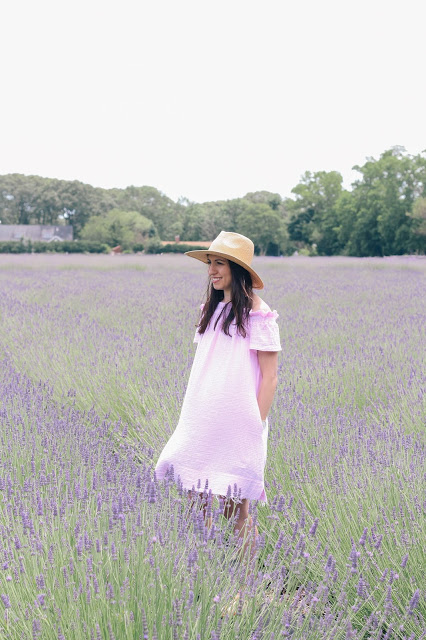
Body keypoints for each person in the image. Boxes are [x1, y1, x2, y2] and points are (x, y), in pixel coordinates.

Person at [154, 230, 281, 569]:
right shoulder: (212, 309)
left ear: (237, 269)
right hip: (202, 415)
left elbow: (270, 377)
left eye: (219, 263)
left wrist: (257, 424)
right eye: (210, 263)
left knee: (236, 506)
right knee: (194, 492)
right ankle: (205, 572)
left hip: (240, 422)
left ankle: (244, 584)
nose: (211, 270)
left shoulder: (258, 313)